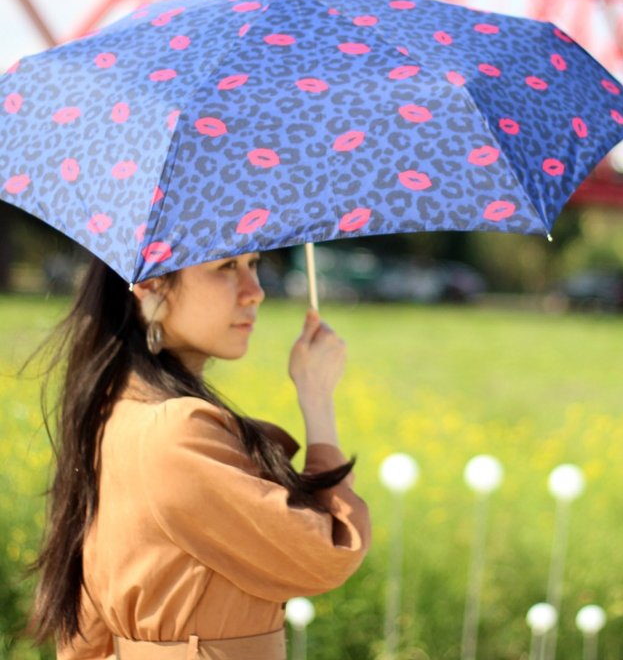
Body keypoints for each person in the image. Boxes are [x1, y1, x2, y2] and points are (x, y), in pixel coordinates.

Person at [27, 251, 371, 660]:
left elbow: (86, 634)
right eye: (226, 266)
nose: (255, 292)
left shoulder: (114, 413)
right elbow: (327, 551)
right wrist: (316, 398)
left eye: (253, 264)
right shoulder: (175, 433)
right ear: (152, 286)